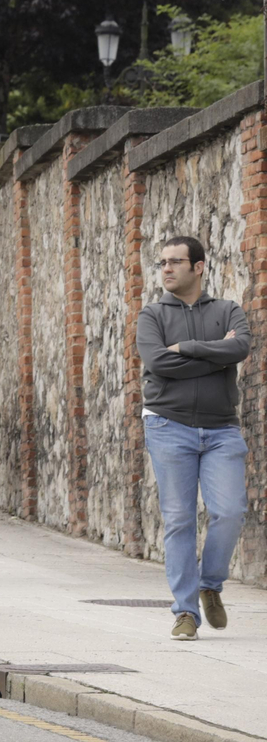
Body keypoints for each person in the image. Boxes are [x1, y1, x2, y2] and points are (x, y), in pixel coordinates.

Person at [137, 234, 252, 641]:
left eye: (175, 262)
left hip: (222, 429)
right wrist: (212, 355)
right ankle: (185, 611)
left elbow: (240, 347)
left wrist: (185, 347)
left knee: (230, 511)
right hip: (169, 426)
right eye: (162, 262)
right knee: (180, 519)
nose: (166, 269)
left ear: (198, 267)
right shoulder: (151, 315)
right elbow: (157, 362)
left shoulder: (227, 310)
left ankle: (210, 584)